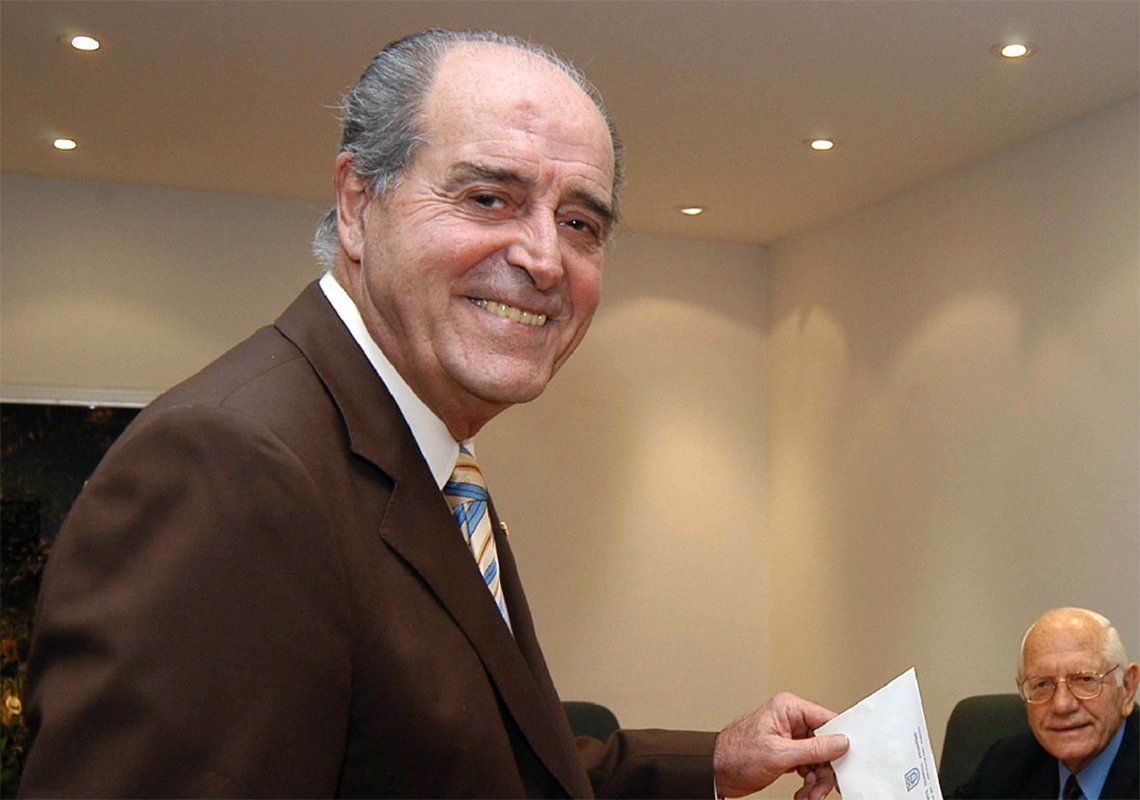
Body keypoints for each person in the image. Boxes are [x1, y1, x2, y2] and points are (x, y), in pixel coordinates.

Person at [19, 29, 848, 799]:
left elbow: (467, 758)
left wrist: (712, 761)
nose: (544, 259)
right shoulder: (230, 466)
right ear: (357, 204)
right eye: (488, 198)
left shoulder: (427, 456)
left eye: (579, 222)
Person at [950, 607, 1139, 799]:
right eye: (1042, 684)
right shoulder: (1007, 764)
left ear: (1127, 687)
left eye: (1084, 680)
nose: (1062, 705)